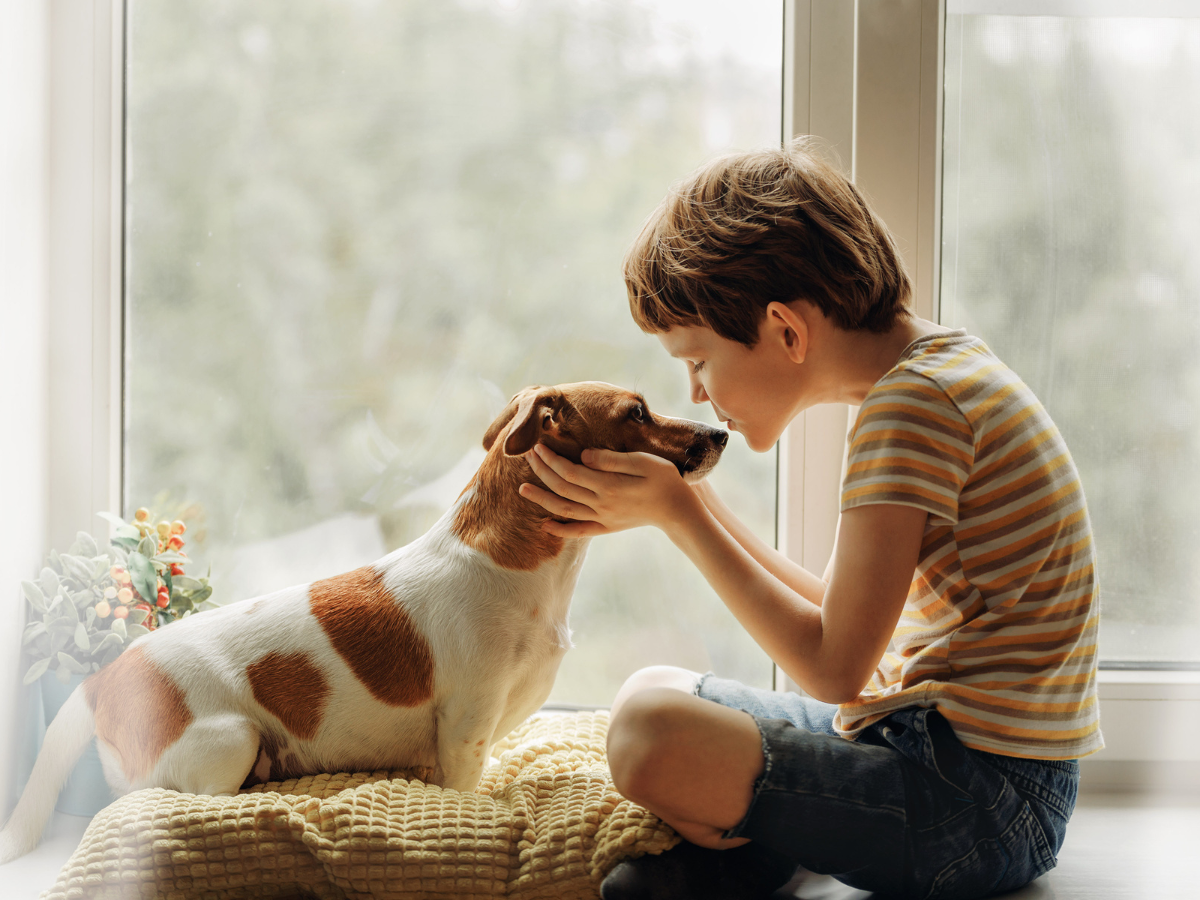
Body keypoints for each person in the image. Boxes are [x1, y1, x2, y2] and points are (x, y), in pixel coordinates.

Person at [517, 136, 1102, 900]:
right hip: (933, 748)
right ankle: (769, 840)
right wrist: (690, 502)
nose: (696, 394)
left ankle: (756, 843)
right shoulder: (937, 373)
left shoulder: (914, 409)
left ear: (786, 331)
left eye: (696, 360)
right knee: (653, 689)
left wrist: (681, 518)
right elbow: (841, 619)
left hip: (981, 804)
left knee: (646, 734)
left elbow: (833, 669)